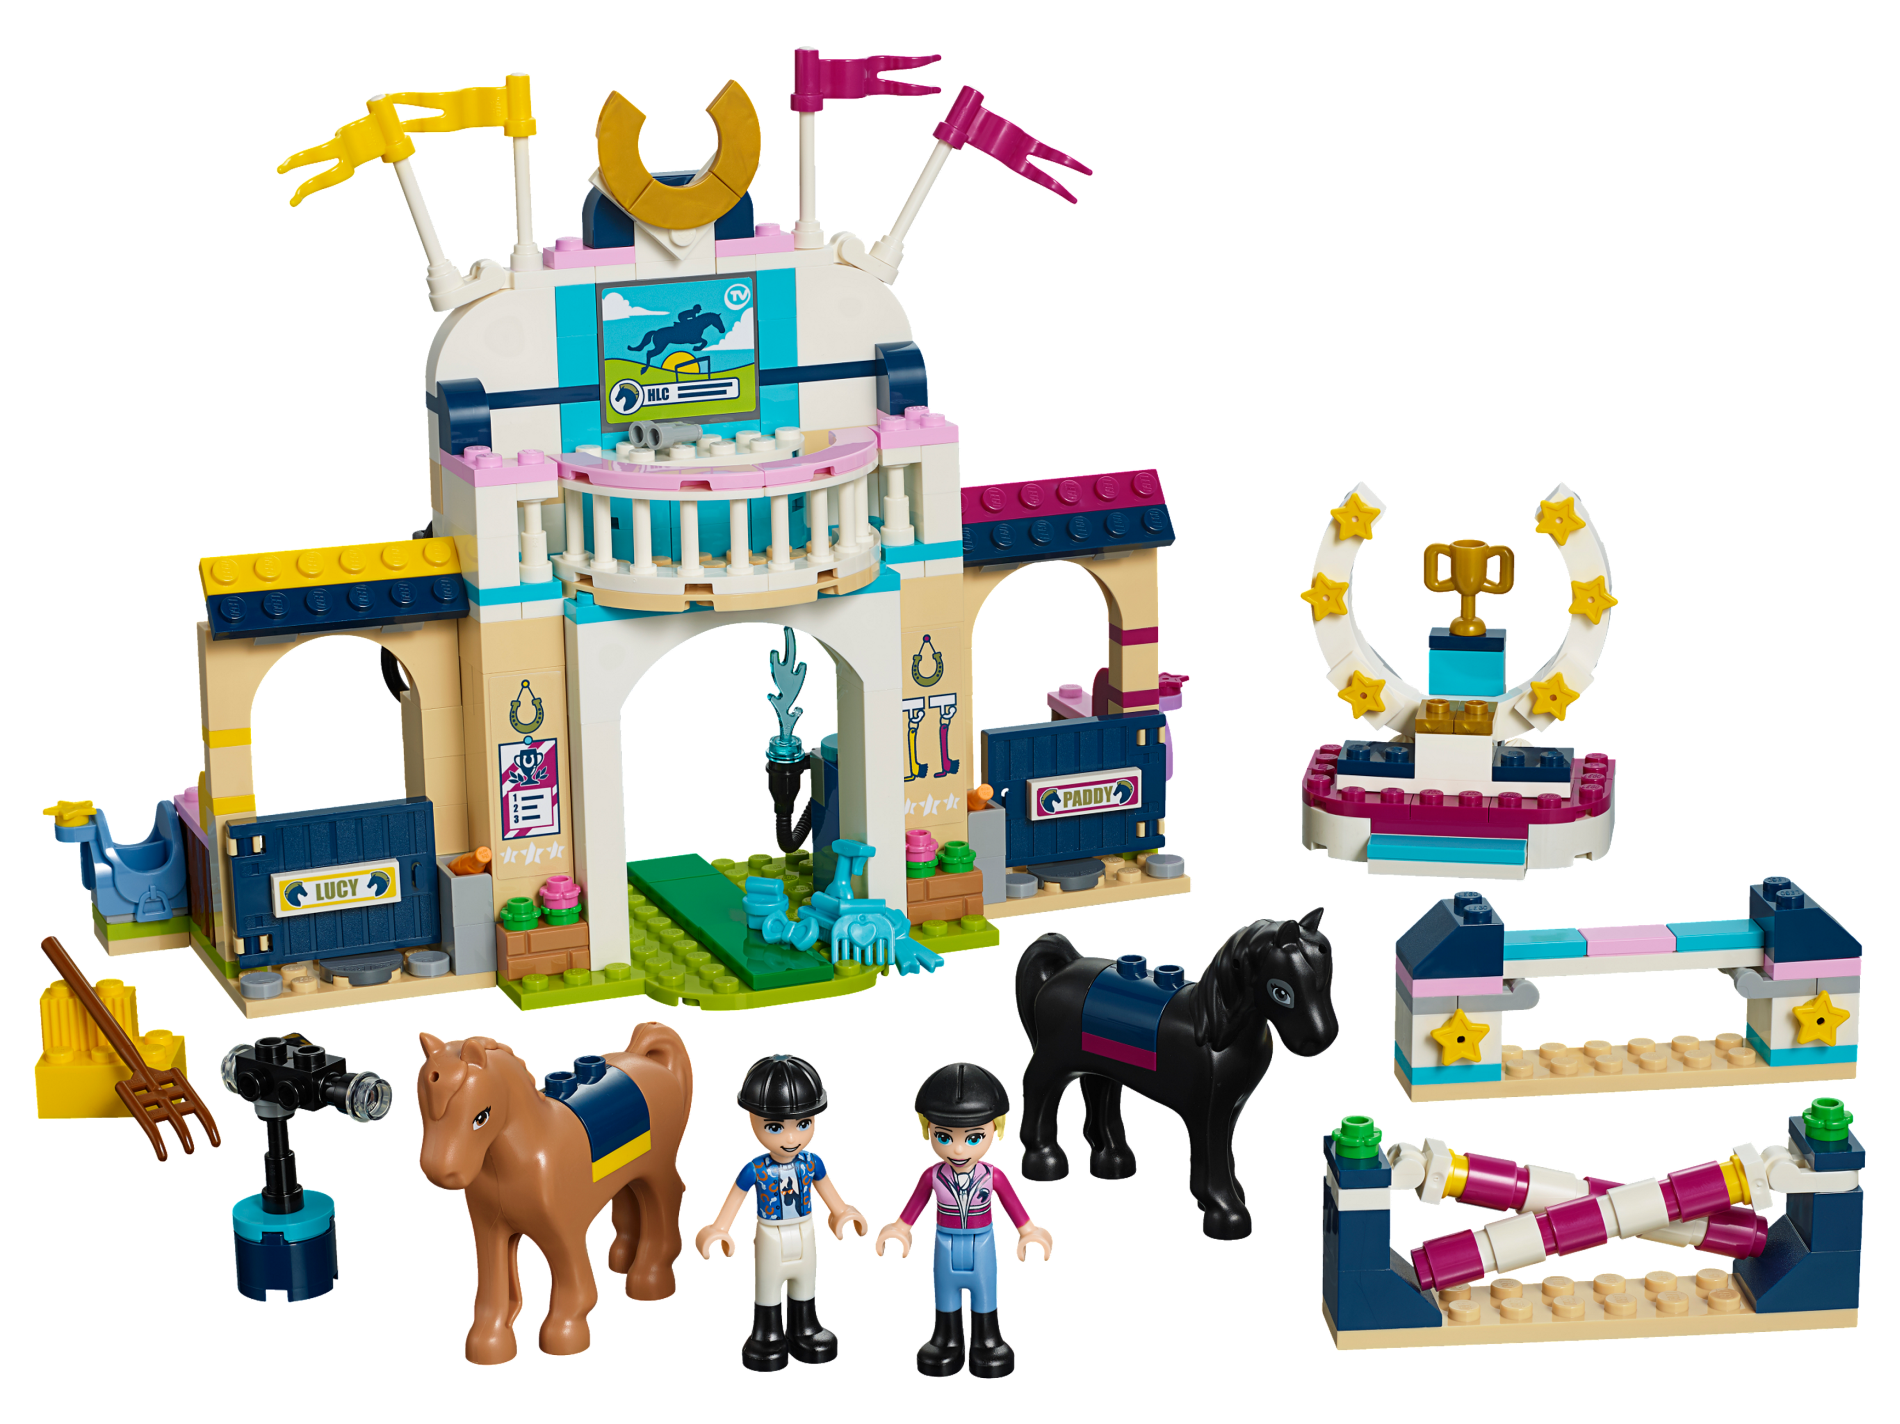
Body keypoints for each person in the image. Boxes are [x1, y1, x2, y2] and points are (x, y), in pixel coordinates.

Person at [876, 1062, 1053, 1377]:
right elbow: (913, 1207)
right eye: (944, 1136)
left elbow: (1014, 1207)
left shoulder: (992, 1176)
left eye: (973, 1138)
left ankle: (987, 1341)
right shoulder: (932, 1176)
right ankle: (946, 1340)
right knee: (945, 1294)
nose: (958, 1149)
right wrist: (900, 1229)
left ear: (995, 1129)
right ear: (928, 1129)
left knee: (985, 1294)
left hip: (982, 1244)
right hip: (944, 1244)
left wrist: (1028, 1231)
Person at [696, 1055, 866, 1370]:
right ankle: (767, 1334)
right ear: (753, 1119)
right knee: (768, 1286)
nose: (790, 1138)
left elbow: (830, 1194)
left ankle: (805, 1328)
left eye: (803, 1124)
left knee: (805, 1281)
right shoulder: (756, 1169)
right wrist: (719, 1229)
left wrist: (842, 1213)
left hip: (805, 1231)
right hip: (770, 1235)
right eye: (775, 1127)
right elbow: (735, 1199)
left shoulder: (811, 1164)